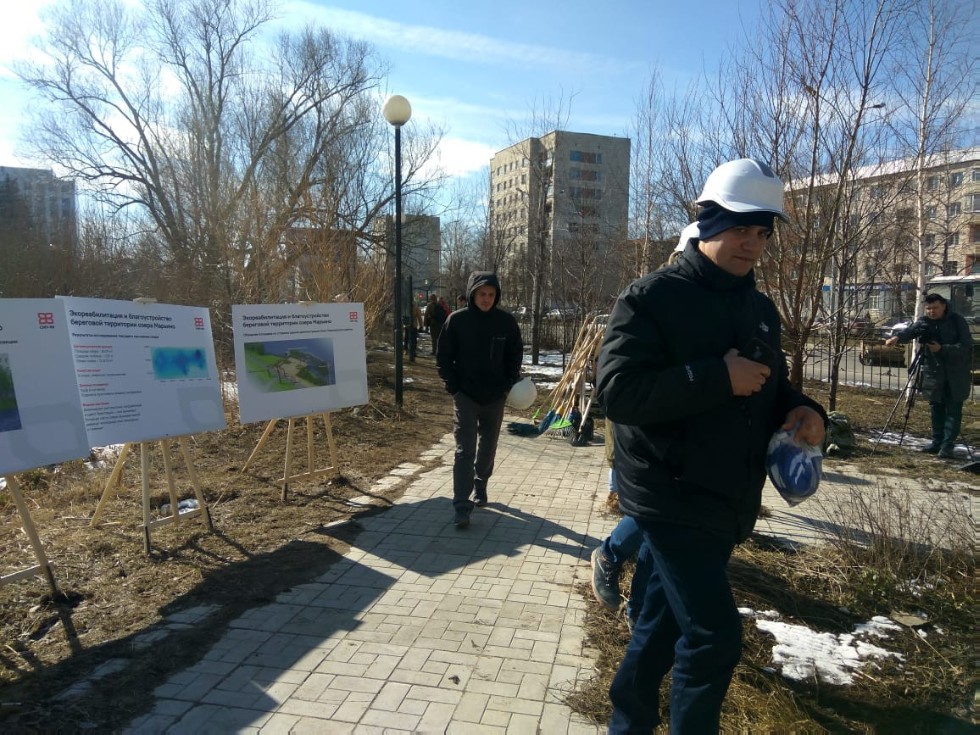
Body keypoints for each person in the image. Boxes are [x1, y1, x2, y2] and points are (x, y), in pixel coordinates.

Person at [595, 158, 827, 733]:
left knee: (660, 627)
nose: (752, 243)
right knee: (714, 637)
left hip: (728, 497)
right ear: (707, 221)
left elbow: (768, 384)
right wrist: (715, 377)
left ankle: (628, 724)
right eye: (740, 228)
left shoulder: (760, 309)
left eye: (762, 232)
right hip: (670, 496)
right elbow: (618, 393)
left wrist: (804, 409)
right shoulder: (651, 298)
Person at [437, 272, 523, 528]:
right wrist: (454, 387)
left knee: (488, 447)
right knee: (465, 450)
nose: (486, 299)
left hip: (495, 396)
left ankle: (481, 482)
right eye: (482, 294)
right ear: (472, 294)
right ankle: (461, 506)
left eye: (491, 294)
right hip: (465, 395)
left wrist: (507, 385)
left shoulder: (506, 322)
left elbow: (515, 355)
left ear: (496, 296)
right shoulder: (457, 320)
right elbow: (443, 357)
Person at [884, 292, 972, 458]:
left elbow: (965, 347)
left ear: (944, 306)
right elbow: (911, 331)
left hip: (955, 374)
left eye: (935, 308)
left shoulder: (957, 321)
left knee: (953, 411)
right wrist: (897, 338)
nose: (932, 312)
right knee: (936, 408)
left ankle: (947, 446)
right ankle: (936, 442)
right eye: (929, 308)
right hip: (933, 373)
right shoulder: (925, 321)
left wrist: (942, 349)